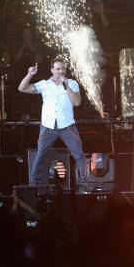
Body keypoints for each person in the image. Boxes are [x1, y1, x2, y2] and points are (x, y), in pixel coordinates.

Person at [18, 58, 86, 188]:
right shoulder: (44, 84)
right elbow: (22, 88)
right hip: (48, 126)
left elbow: (77, 102)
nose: (61, 71)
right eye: (58, 69)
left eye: (63, 69)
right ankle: (34, 185)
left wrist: (66, 86)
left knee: (79, 155)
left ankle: (85, 183)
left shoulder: (72, 83)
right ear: (52, 70)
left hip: (67, 126)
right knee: (40, 155)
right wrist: (30, 75)